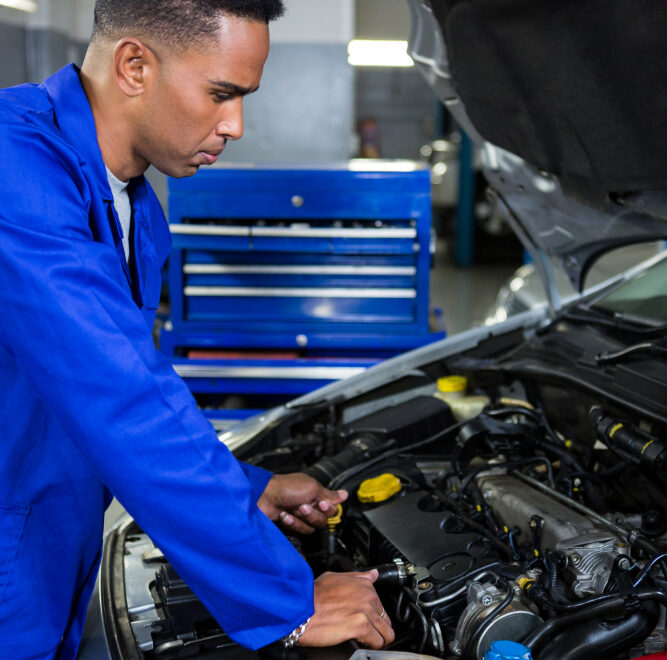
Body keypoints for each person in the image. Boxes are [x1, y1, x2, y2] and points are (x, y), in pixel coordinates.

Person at [0, 1, 395, 657]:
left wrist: (248, 488)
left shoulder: (126, 198)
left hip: (45, 536)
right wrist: (286, 599)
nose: (235, 125)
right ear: (134, 65)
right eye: (221, 94)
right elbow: (120, 396)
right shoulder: (16, 174)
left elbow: (89, 390)